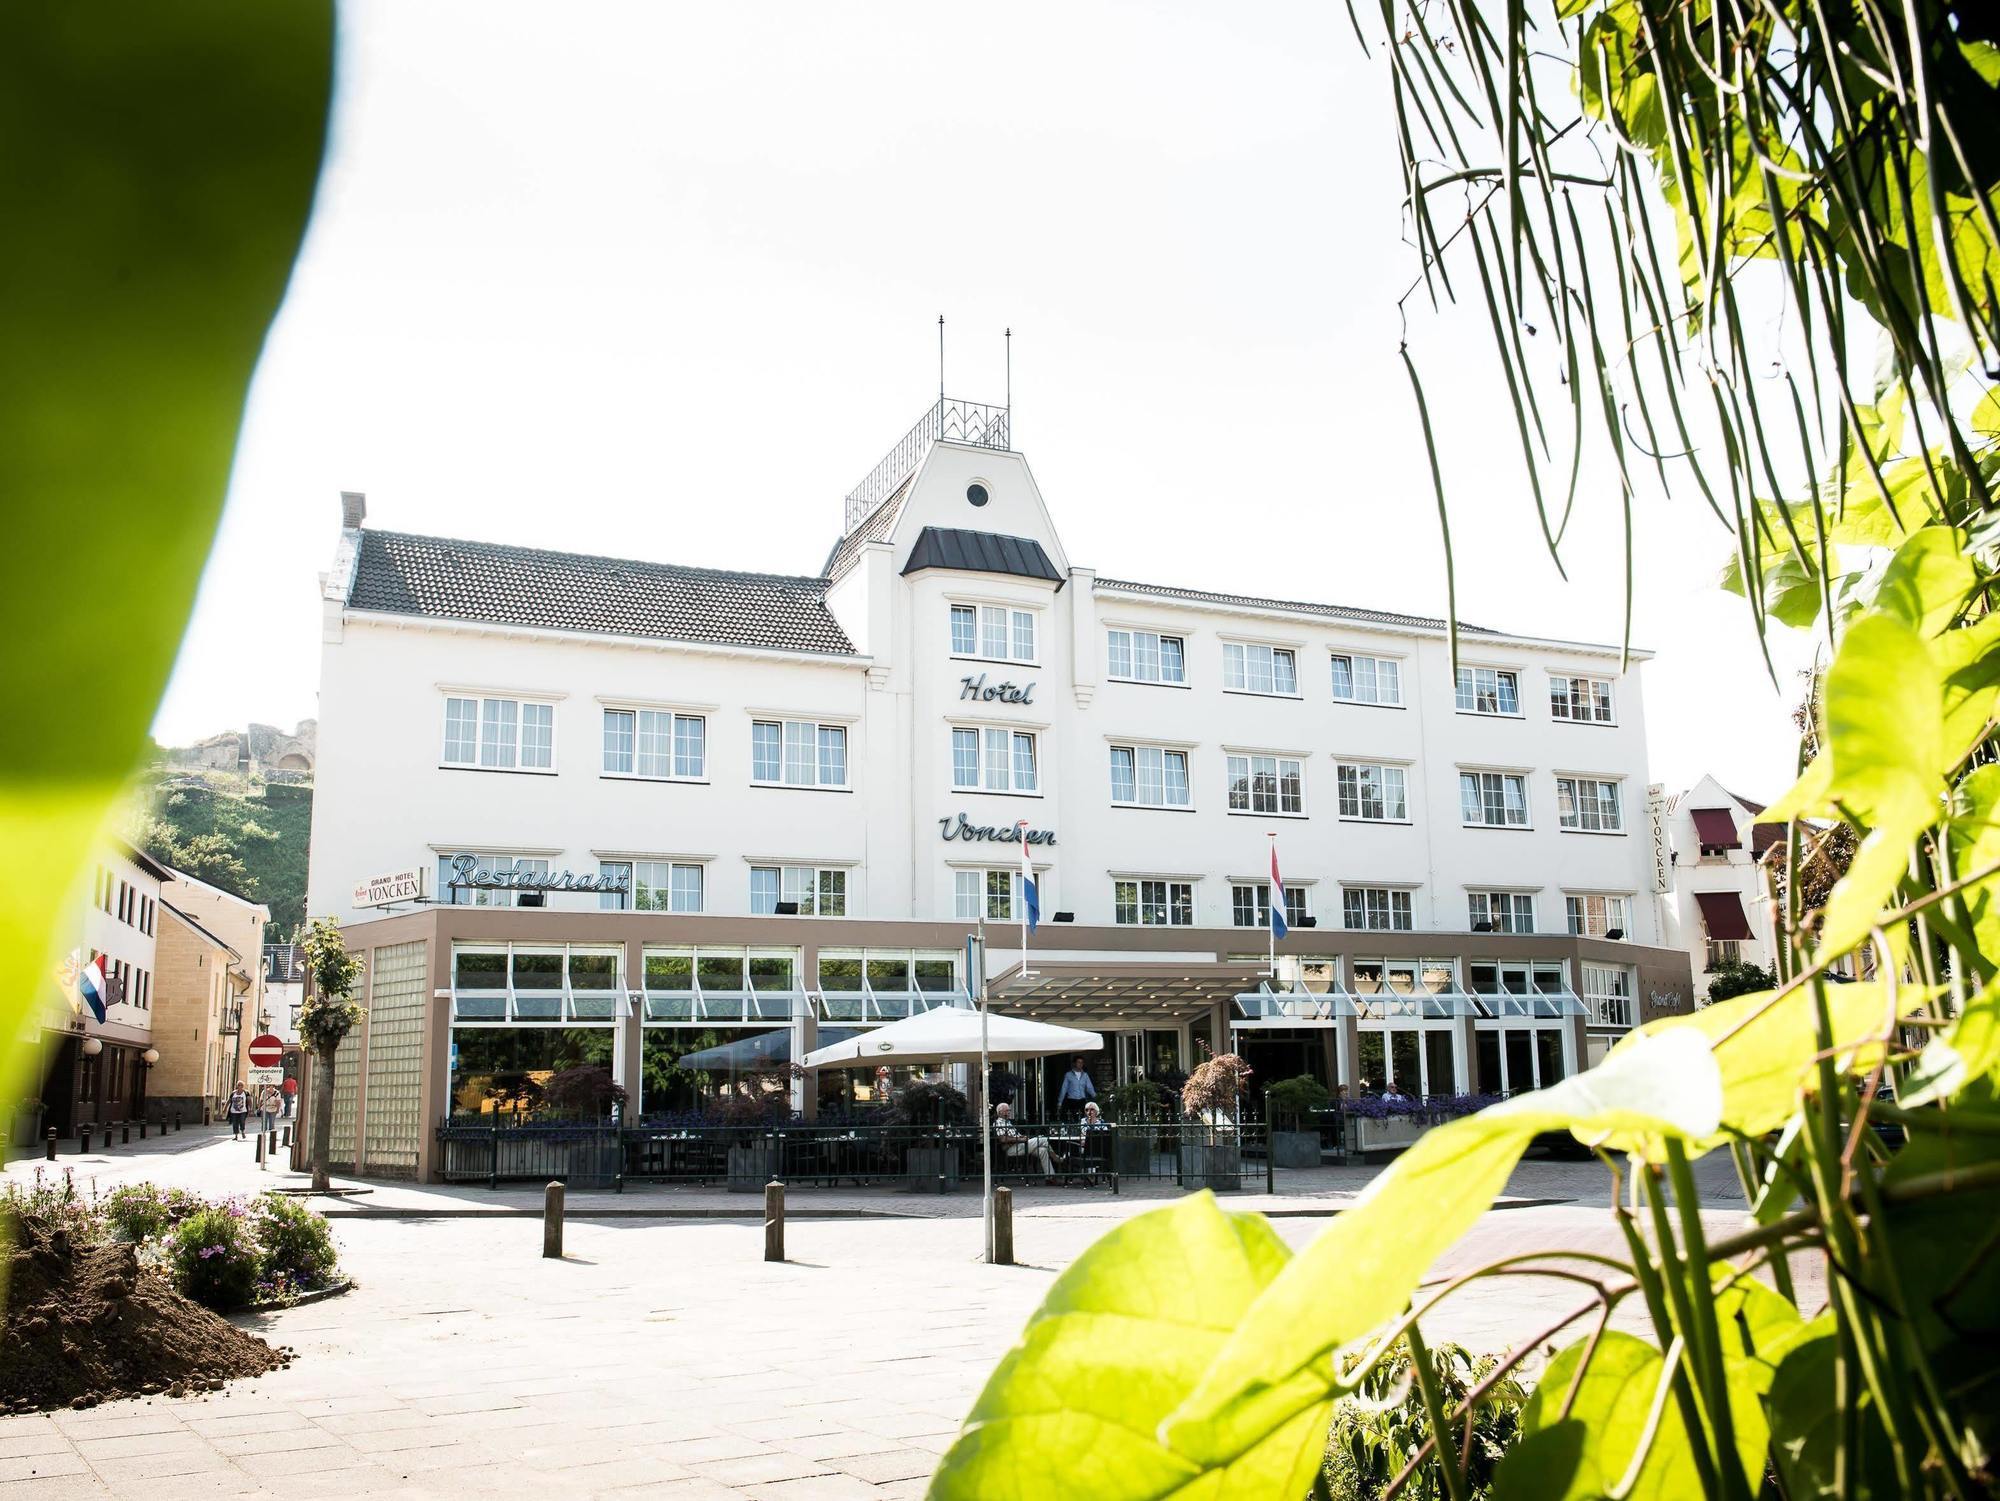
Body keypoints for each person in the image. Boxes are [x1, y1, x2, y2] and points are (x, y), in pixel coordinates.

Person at [992, 1102, 1055, 1178]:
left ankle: (1050, 1178)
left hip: (1020, 1145)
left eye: (1009, 1110)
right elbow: (1003, 1139)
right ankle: (1056, 1158)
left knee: (1042, 1151)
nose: (1009, 1112)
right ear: (1000, 1112)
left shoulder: (1008, 1122)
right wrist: (1020, 1139)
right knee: (1043, 1139)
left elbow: (1015, 1135)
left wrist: (1021, 1137)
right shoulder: (998, 1123)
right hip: (1012, 1148)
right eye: (1006, 1111)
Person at [1054, 1057, 1097, 1121]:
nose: (1080, 1064)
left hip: (1082, 1100)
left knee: (1083, 1119)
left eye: (1082, 1062)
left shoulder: (1085, 1075)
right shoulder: (1068, 1075)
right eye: (1078, 1062)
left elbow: (1089, 1087)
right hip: (1072, 1100)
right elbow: (1064, 1088)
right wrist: (1060, 1102)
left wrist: (1096, 1097)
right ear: (1074, 1063)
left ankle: (1082, 1131)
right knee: (1072, 1119)